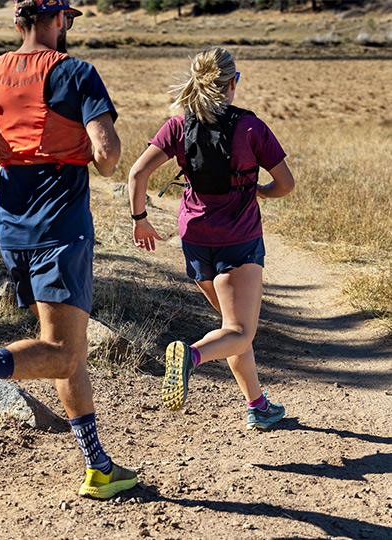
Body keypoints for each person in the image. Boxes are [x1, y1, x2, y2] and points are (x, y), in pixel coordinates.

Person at [0, 0, 137, 499]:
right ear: (58, 20)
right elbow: (107, 158)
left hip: (13, 225)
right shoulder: (77, 73)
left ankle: (97, 465)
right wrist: (90, 145)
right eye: (69, 19)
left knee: (69, 348)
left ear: (19, 23)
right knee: (61, 351)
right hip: (62, 223)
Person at [128, 47, 295, 430]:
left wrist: (141, 220)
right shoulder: (251, 128)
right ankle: (190, 357)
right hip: (239, 240)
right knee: (239, 331)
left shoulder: (177, 126)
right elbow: (286, 184)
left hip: (195, 238)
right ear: (233, 82)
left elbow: (138, 174)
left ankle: (258, 405)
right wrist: (260, 191)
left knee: (231, 326)